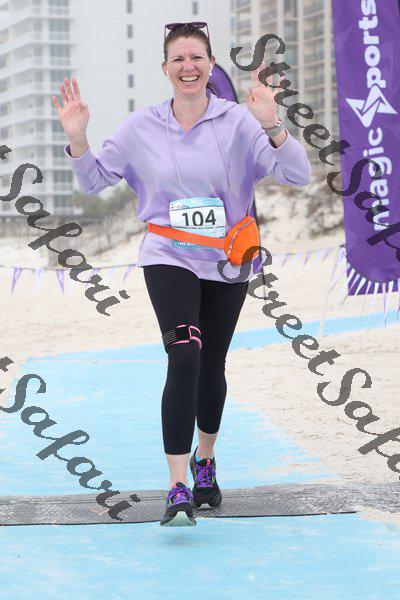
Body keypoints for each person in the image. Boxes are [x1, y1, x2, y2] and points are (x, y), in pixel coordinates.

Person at [53, 22, 312, 528]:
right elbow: (95, 182)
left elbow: (298, 174)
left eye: (197, 58)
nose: (188, 67)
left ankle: (205, 460)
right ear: (165, 68)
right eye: (178, 59)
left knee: (211, 363)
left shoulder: (239, 121)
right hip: (167, 253)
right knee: (185, 353)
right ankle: (177, 486)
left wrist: (273, 124)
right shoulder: (140, 127)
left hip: (228, 259)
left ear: (211, 65)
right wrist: (79, 139)